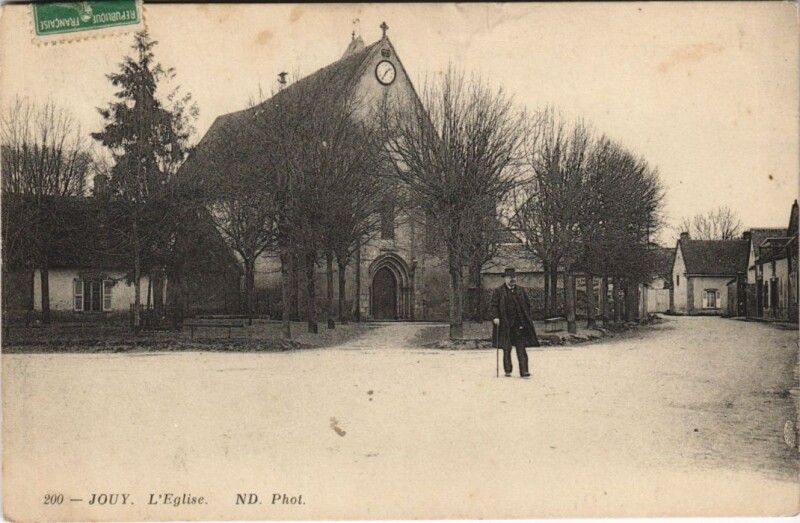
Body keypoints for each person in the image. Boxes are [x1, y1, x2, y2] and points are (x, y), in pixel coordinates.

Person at [490, 267, 540, 378]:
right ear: (505, 279)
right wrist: (495, 317)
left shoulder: (521, 291)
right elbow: (493, 306)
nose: (512, 279)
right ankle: (508, 370)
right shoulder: (498, 292)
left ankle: (524, 371)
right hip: (505, 325)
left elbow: (527, 305)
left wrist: (526, 318)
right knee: (506, 348)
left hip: (519, 325)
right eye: (510, 277)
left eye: (514, 277)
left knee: (521, 348)